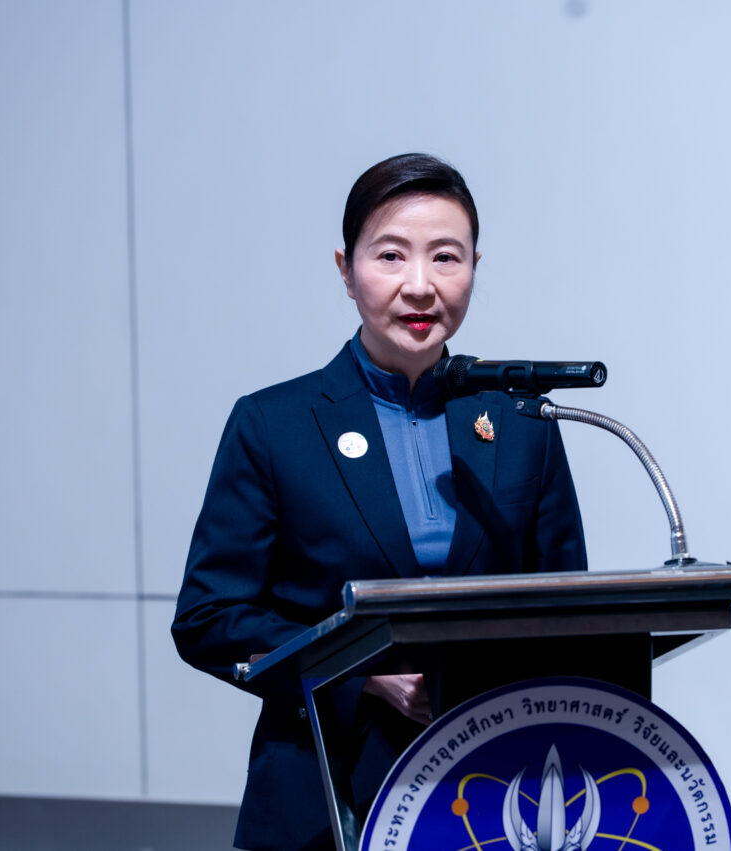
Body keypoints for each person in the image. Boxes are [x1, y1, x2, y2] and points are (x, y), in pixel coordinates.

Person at [172, 153, 587, 850]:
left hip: (495, 790)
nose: (420, 285)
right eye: (391, 255)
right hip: (326, 786)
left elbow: (569, 610)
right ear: (346, 270)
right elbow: (209, 617)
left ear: (475, 266)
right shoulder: (274, 425)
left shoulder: (523, 423)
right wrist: (363, 672)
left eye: (446, 257)